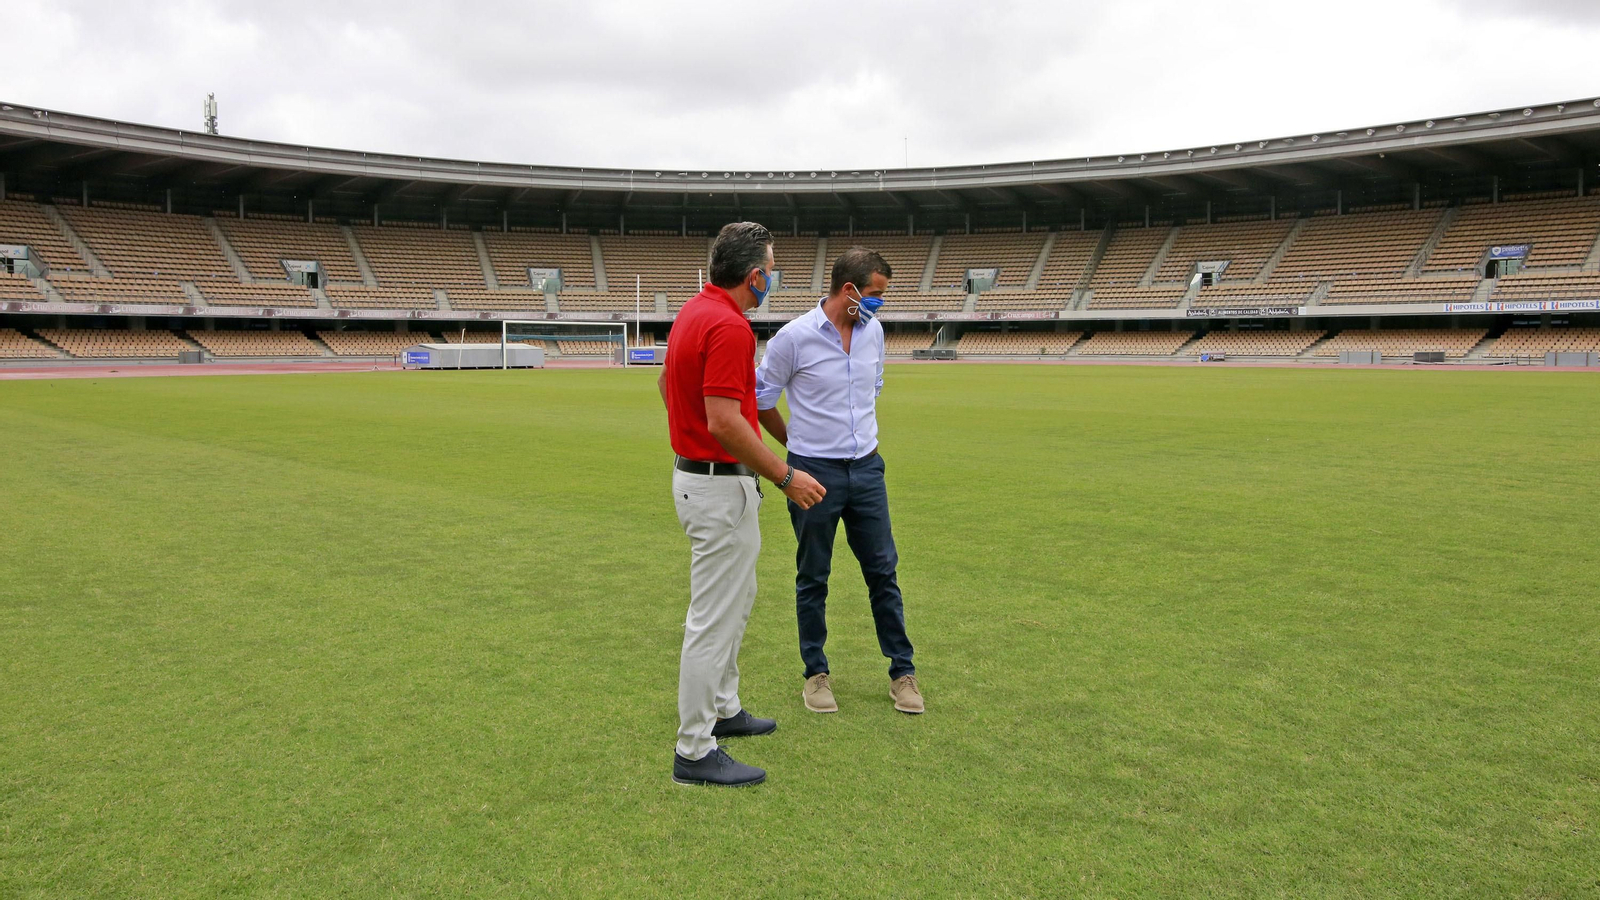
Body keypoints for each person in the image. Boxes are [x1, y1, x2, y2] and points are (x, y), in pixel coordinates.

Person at [659, 221, 827, 787]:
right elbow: (726, 421)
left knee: (738, 599)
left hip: (705, 479)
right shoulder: (730, 327)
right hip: (718, 486)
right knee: (714, 618)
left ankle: (724, 710)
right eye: (772, 271)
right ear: (755, 276)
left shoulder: (692, 311)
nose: (773, 280)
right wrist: (786, 477)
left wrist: (691, 439)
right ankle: (693, 750)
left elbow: (666, 387)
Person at [754, 247, 922, 716]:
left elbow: (873, 389)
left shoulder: (875, 333)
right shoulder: (793, 338)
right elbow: (762, 398)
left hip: (867, 469)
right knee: (814, 576)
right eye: (874, 295)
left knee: (883, 574)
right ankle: (815, 673)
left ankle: (902, 673)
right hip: (814, 472)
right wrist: (797, 445)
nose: (878, 305)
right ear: (848, 290)